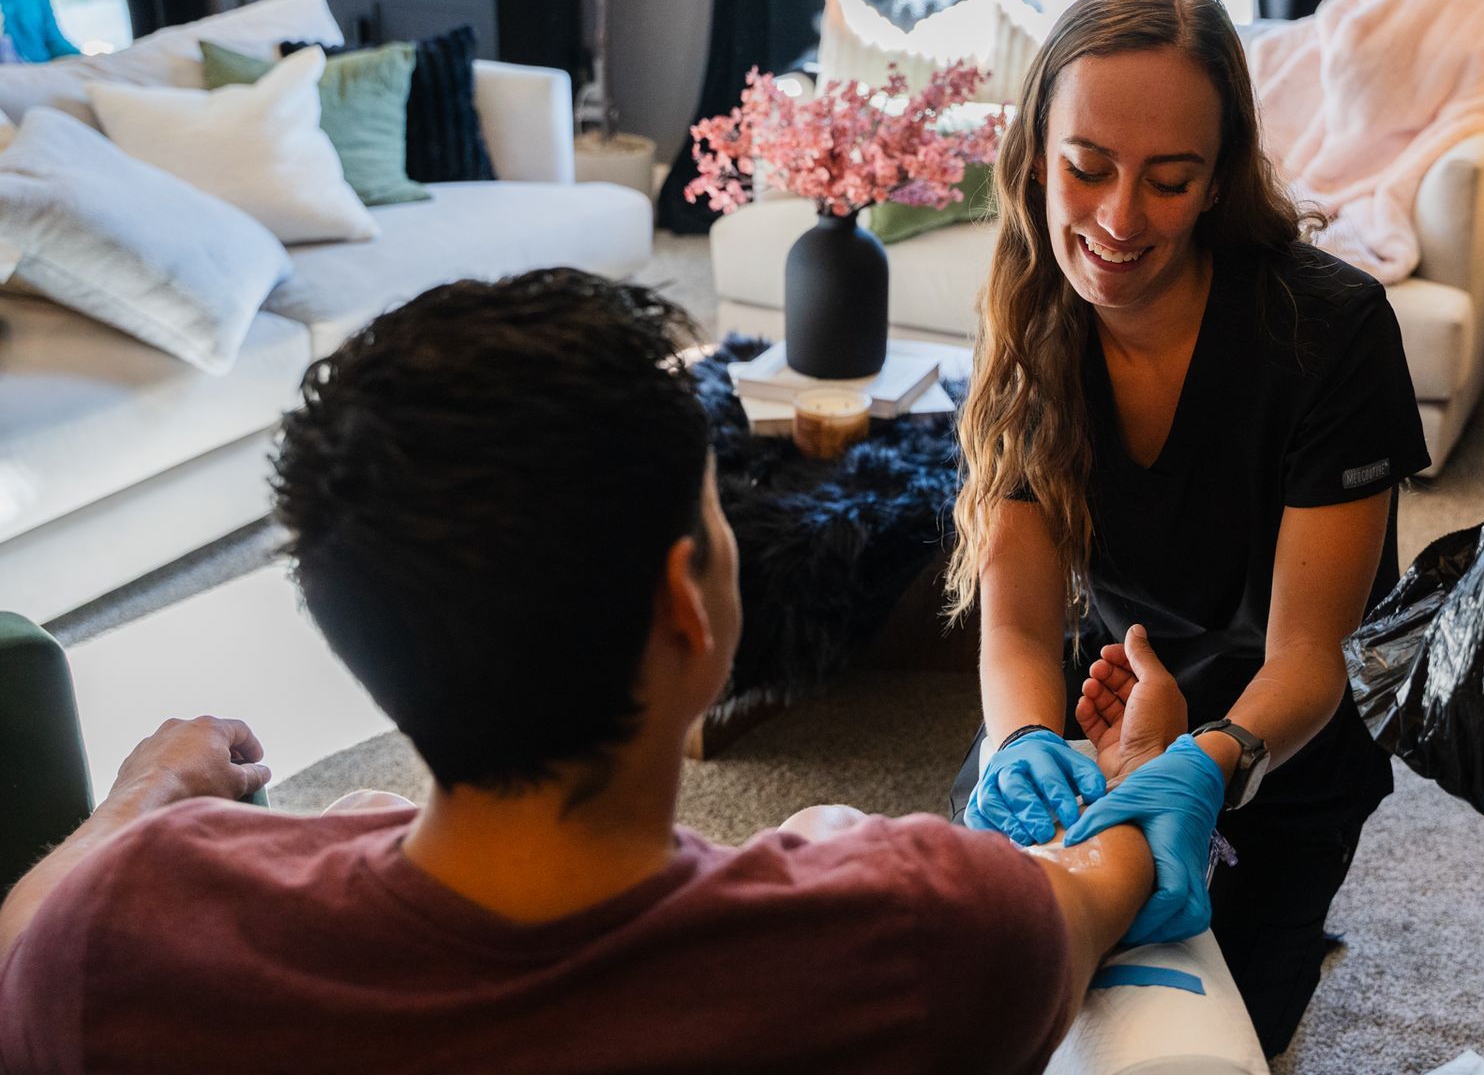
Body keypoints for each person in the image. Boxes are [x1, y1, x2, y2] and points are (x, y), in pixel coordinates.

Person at [0, 269, 1210, 1073]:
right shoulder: (919, 930)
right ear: (691, 602)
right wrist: (1136, 764)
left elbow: (27, 945)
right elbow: (1102, 874)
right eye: (720, 513)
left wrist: (139, 798)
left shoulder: (122, 931)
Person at [945, 0, 1430, 1057]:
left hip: (1283, 742)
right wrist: (1026, 742)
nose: (1118, 220)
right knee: (984, 990)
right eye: (1086, 169)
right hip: (1107, 701)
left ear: (1218, 182)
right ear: (1035, 155)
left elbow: (1312, 655)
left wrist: (1202, 763)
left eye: (1169, 181)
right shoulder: (1029, 325)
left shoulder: (1330, 331)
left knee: (1198, 1041)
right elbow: (1019, 629)